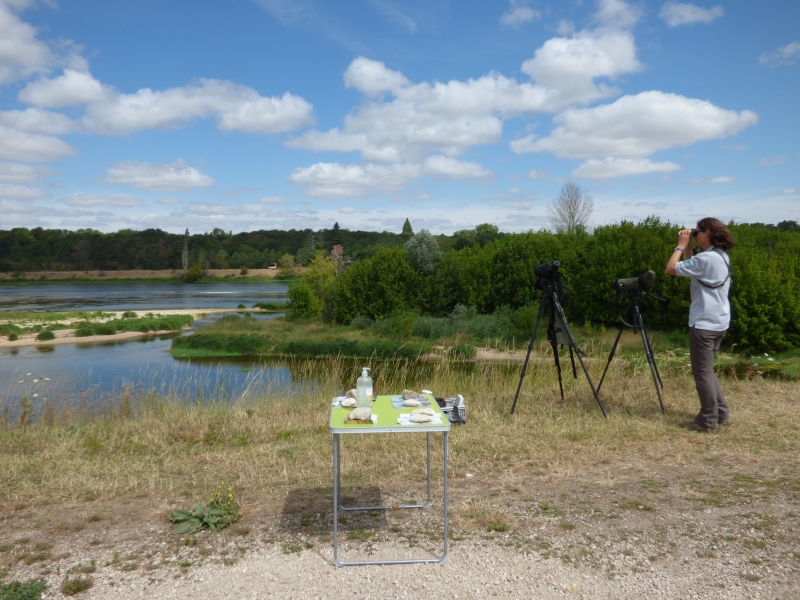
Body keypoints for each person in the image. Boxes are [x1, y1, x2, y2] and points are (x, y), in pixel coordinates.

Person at [665, 217, 736, 433]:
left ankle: (707, 421)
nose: (696, 233)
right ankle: (721, 413)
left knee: (702, 372)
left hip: (704, 322)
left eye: (699, 231)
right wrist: (690, 250)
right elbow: (691, 267)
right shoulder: (721, 257)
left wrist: (681, 246)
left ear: (709, 234)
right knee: (708, 370)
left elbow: (671, 268)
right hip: (719, 321)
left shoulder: (706, 259)